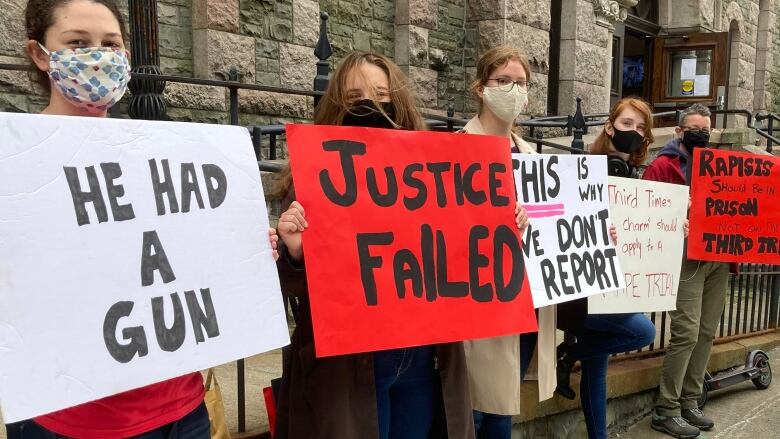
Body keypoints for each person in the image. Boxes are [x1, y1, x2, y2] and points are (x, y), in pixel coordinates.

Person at [5, 1, 279, 438]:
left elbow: (188, 256)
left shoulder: (161, 153)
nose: (98, 56)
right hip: (74, 423)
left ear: (126, 57)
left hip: (183, 410)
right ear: (41, 54)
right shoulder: (15, 165)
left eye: (110, 44)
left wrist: (246, 249)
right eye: (78, 43)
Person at [272, 51, 531, 439]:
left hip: (421, 359)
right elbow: (296, 288)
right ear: (337, 104)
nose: (371, 105)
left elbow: (456, 253)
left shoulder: (432, 172)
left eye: (381, 94)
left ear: (399, 102)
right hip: (348, 366)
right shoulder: (310, 177)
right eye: (356, 96)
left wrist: (503, 230)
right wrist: (295, 252)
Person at [459, 44, 556, 439]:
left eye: (521, 83)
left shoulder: (531, 154)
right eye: (504, 81)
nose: (514, 90)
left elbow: (556, 222)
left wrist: (597, 231)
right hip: (479, 298)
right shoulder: (458, 148)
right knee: (477, 408)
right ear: (481, 87)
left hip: (526, 298)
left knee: (504, 403)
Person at [554, 97, 658, 439]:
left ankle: (598, 435)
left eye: (641, 127)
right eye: (627, 124)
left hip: (616, 286)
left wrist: (671, 227)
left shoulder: (637, 178)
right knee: (643, 331)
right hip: (581, 291)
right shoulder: (580, 170)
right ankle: (569, 352)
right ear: (610, 126)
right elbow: (559, 227)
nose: (634, 132)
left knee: (597, 370)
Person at [644, 103, 732, 439]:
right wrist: (679, 211)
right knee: (687, 332)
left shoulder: (721, 165)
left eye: (706, 131)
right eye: (695, 130)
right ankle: (666, 409)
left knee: (708, 330)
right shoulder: (663, 166)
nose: (701, 135)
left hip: (718, 257)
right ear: (680, 131)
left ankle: (689, 402)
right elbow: (647, 215)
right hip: (686, 258)